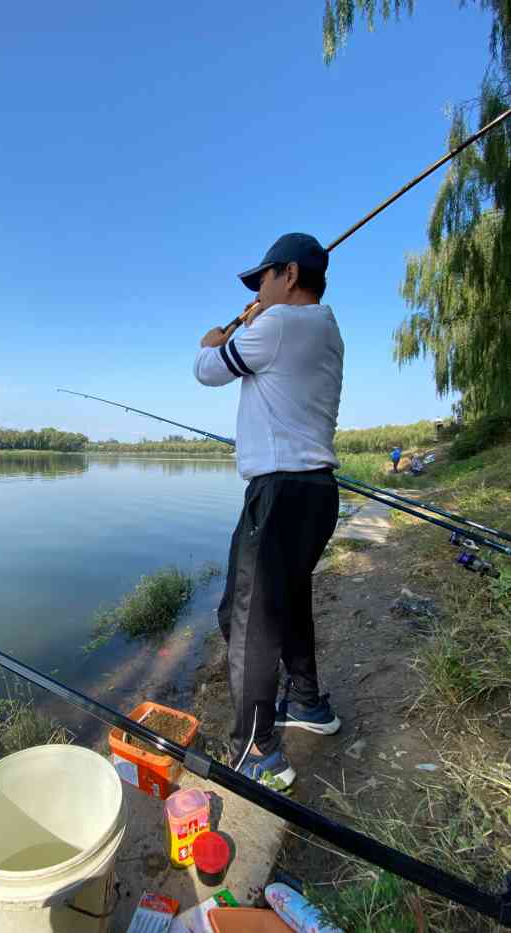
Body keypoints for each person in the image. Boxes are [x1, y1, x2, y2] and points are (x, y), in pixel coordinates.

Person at [193, 233, 343, 790]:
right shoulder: (326, 330)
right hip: (316, 493)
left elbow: (208, 371)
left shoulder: (277, 327)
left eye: (263, 280)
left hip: (277, 493)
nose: (258, 291)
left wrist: (216, 338)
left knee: (246, 618)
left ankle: (258, 751)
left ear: (289, 275)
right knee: (290, 597)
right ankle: (307, 702)